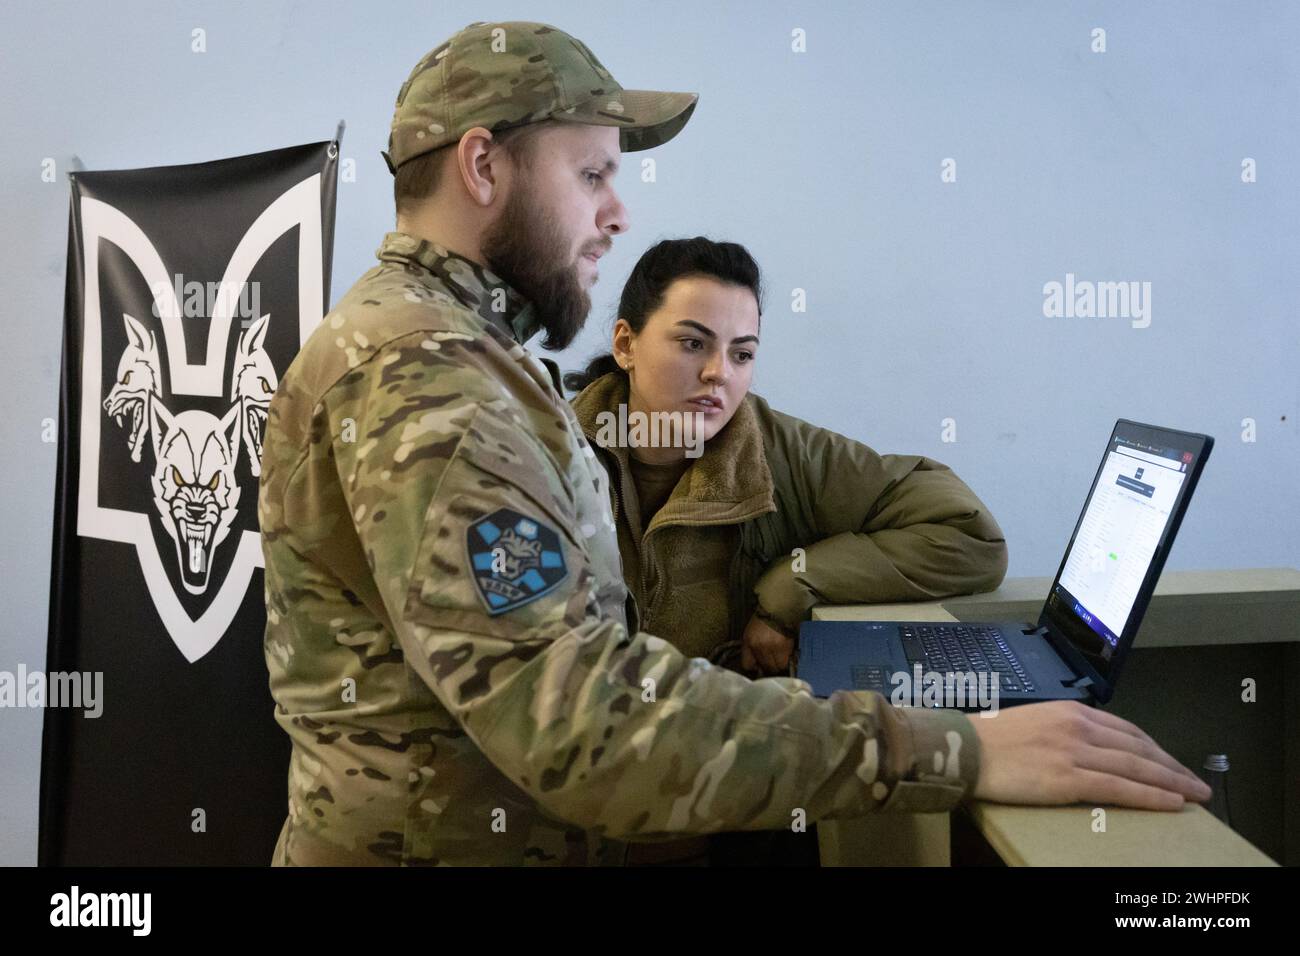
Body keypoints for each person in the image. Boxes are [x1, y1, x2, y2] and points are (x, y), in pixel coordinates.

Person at [259, 20, 1212, 867]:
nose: (616, 213)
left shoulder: (444, 352)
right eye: (591, 173)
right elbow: (583, 724)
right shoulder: (430, 379)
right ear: (482, 166)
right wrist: (954, 749)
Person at [566, 236, 1009, 863]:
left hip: (725, 816)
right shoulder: (547, 453)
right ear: (625, 344)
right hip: (570, 819)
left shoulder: (778, 453)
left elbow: (966, 533)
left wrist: (789, 588)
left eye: (742, 353)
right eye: (692, 343)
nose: (720, 373)